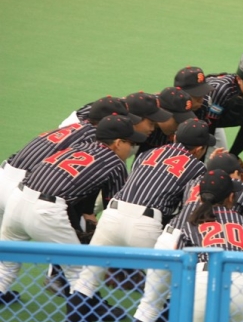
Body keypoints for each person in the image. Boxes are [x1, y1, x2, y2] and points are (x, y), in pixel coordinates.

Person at [61, 119, 213, 322]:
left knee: (85, 283)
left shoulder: (148, 153)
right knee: (157, 299)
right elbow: (187, 208)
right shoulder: (197, 168)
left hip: (112, 217)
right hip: (147, 225)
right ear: (200, 149)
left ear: (175, 138)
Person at [0, 115, 144, 309]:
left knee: (6, 265)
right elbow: (114, 208)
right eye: (131, 143)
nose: (133, 148)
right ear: (118, 143)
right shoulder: (115, 163)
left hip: (17, 200)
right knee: (78, 271)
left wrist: (78, 223)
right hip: (46, 211)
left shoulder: (76, 148)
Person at [125, 151, 243, 322]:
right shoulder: (242, 204)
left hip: (174, 237)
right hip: (226, 262)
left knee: (152, 305)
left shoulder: (194, 183)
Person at [179, 169, 243, 322]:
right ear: (231, 197)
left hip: (203, 280)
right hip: (242, 281)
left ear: (199, 197)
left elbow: (180, 261)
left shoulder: (190, 221)